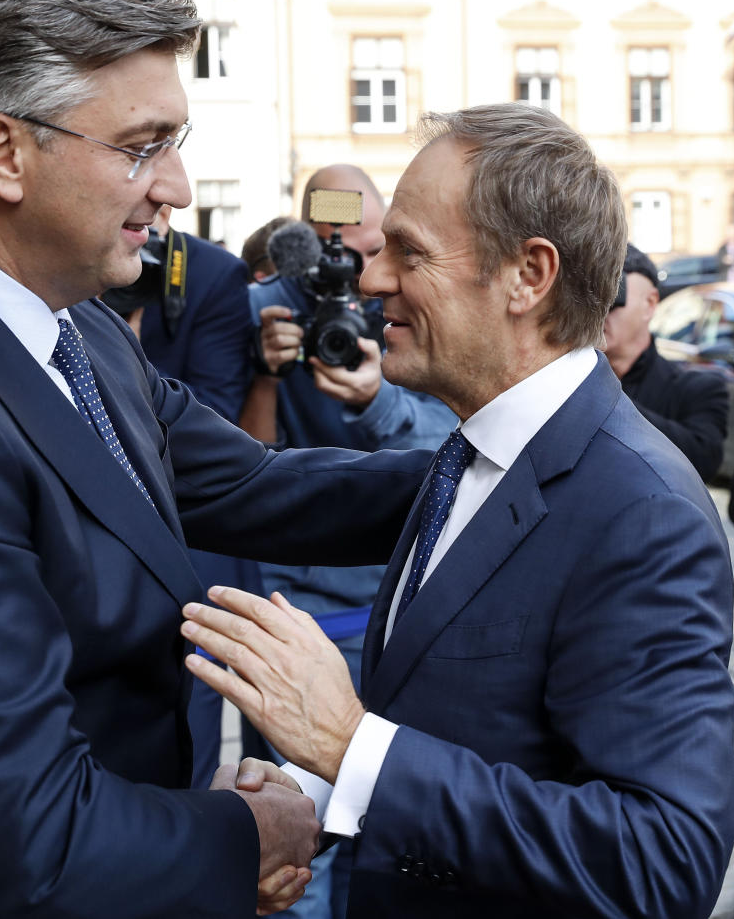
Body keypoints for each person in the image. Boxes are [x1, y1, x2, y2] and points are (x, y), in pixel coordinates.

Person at [0, 0, 433, 918]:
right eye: (143, 145)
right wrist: (250, 832)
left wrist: (505, 475)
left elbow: (257, 490)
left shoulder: (70, 319)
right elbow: (35, 841)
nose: (176, 188)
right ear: (2, 150)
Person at [182, 103, 734, 919]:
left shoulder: (641, 513)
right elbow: (455, 725)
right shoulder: (472, 452)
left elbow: (661, 861)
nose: (371, 280)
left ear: (528, 275)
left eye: (409, 252)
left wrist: (348, 743)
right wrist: (307, 793)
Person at [240, 165, 457, 919]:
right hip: (302, 611)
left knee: (396, 823)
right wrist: (265, 372)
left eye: (374, 249)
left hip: (401, 610)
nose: (361, 275)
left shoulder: (413, 307)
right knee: (301, 841)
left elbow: (461, 449)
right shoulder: (262, 308)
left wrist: (378, 399)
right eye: (338, 253)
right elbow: (240, 476)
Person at [117, 202, 264, 788]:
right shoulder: (63, 274)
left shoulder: (208, 273)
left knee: (196, 702)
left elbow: (215, 415)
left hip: (185, 529)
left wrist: (127, 355)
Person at [603, 242, 728, 481]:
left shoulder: (697, 388)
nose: (600, 310)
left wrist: (604, 396)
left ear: (650, 304)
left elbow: (703, 460)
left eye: (612, 297)